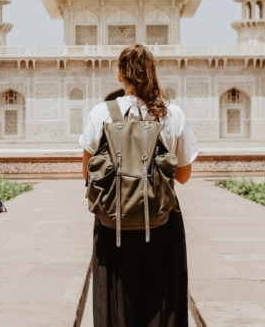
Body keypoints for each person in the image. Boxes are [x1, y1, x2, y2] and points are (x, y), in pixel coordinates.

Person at [80, 44, 199, 327]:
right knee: (163, 299)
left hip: (113, 221)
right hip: (162, 220)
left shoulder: (101, 113)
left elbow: (87, 172)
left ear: (120, 75)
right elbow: (183, 176)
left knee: (116, 298)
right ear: (152, 73)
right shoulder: (172, 114)